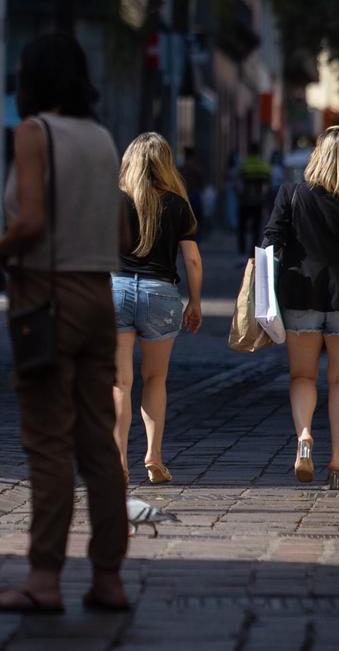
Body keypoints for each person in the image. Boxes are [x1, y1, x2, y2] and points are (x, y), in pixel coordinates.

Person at [0, 33, 129, 614]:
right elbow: (119, 229)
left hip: (46, 294)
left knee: (47, 440)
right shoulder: (101, 136)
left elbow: (32, 222)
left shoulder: (35, 132)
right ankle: (108, 577)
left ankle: (43, 578)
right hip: (97, 294)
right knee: (98, 442)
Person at [263, 125, 339, 491]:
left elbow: (269, 241)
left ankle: (304, 436)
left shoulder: (292, 194)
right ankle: (337, 460)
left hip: (301, 294)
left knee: (303, 378)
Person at [111, 133, 204, 485]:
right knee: (155, 379)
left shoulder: (114, 201)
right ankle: (153, 455)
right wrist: (194, 301)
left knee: (119, 382)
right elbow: (192, 260)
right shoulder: (178, 204)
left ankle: (118, 461)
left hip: (116, 289)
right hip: (160, 294)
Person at [238, 142, 271, 255]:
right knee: (256, 227)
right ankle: (253, 249)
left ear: (249, 151)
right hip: (258, 201)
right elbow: (268, 185)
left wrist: (239, 196)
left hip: (245, 201)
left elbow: (239, 183)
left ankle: (241, 248)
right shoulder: (264, 166)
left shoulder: (244, 165)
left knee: (242, 225)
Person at [179, 145, 206, 239]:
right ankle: (196, 241)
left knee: (186, 222)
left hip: (184, 196)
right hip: (194, 196)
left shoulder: (181, 169)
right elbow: (201, 185)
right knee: (197, 220)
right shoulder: (197, 169)